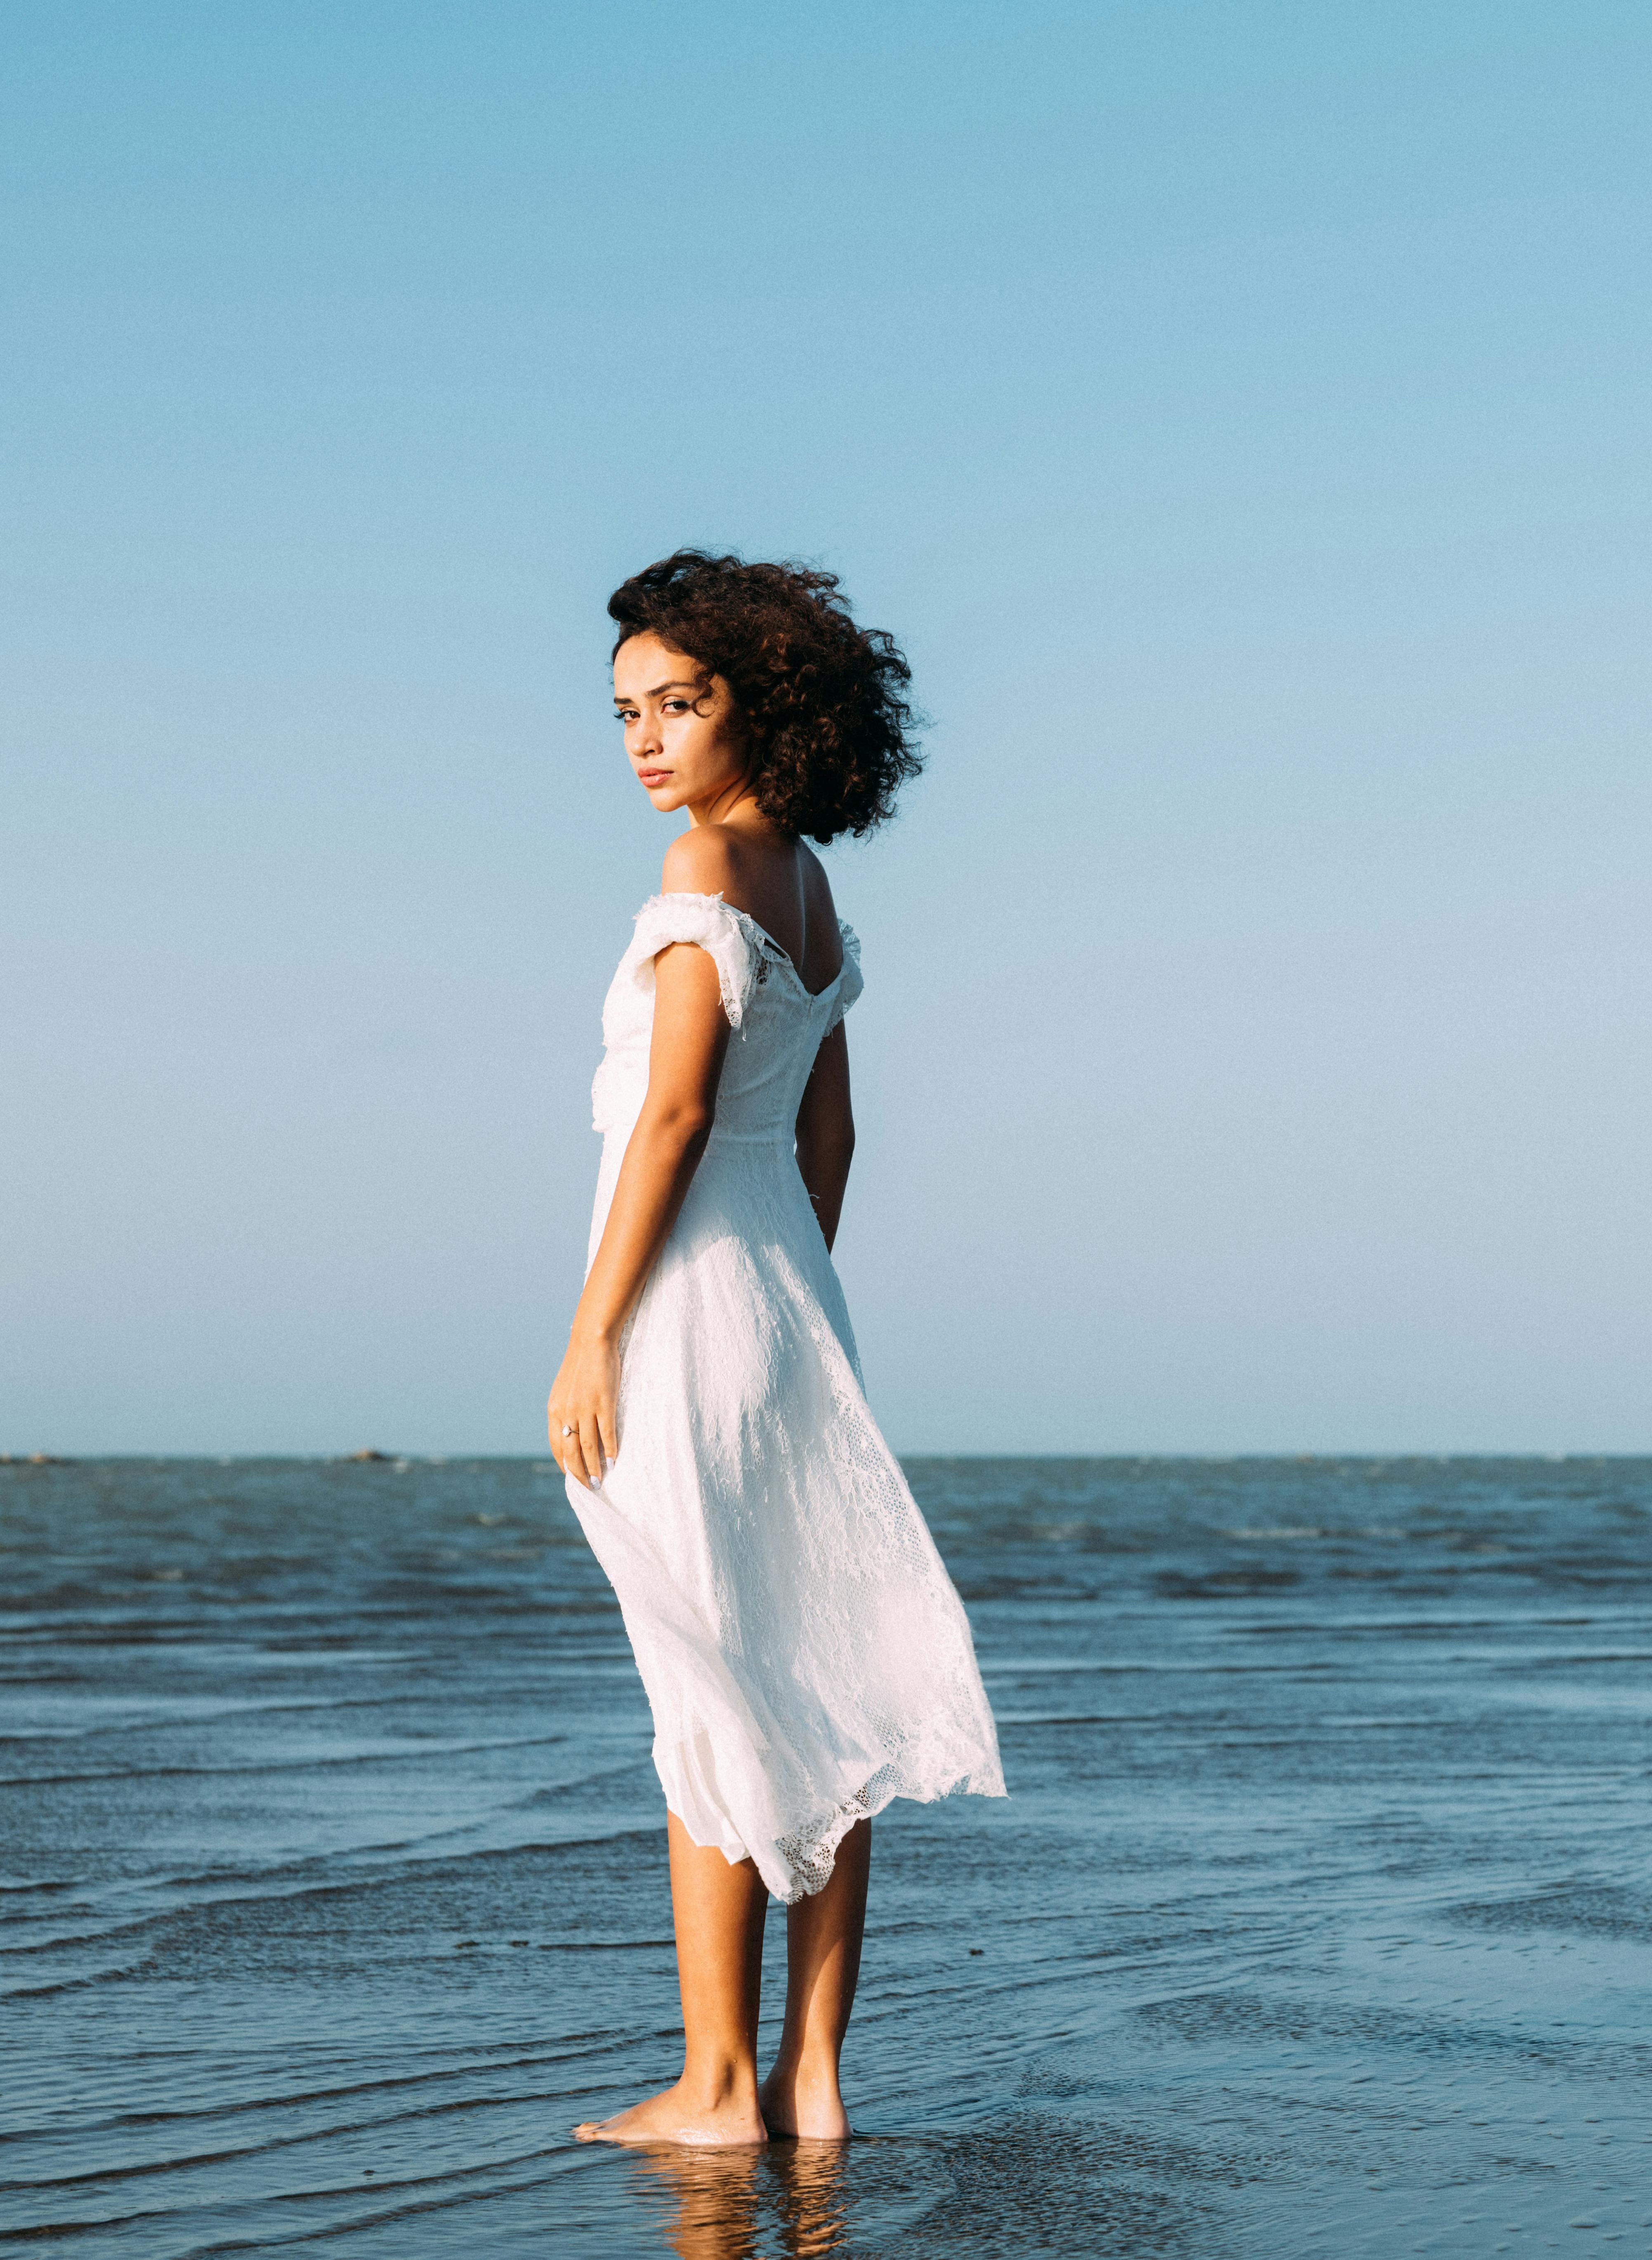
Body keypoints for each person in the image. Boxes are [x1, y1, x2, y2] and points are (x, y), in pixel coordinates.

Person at [550, 550, 1004, 2147]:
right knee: (823, 1683)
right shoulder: (809, 889)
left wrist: (600, 1333)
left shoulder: (700, 878)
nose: (648, 739)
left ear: (764, 699)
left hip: (684, 1310)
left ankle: (717, 2085)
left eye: (681, 701)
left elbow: (673, 1116)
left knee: (713, 1690)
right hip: (792, 1310)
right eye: (625, 712)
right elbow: (836, 1133)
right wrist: (786, 1301)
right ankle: (814, 2080)